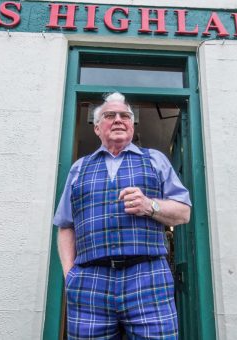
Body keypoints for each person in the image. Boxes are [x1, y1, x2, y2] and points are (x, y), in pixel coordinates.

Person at [53, 92, 191, 339]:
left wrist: (150, 205)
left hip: (148, 276)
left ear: (131, 124)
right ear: (97, 128)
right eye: (109, 115)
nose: (118, 119)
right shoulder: (79, 168)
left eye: (125, 115)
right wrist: (69, 274)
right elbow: (65, 225)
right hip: (89, 280)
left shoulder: (155, 160)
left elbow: (184, 213)